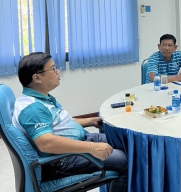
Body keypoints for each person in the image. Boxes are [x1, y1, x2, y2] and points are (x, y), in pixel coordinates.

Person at [12, 52, 128, 191]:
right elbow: (46, 143)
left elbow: (59, 123)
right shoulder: (33, 108)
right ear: (37, 78)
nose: (58, 72)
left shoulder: (41, 98)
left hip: (80, 141)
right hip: (62, 160)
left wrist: (90, 121)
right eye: (53, 69)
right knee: (126, 161)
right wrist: (92, 148)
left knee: (127, 142)